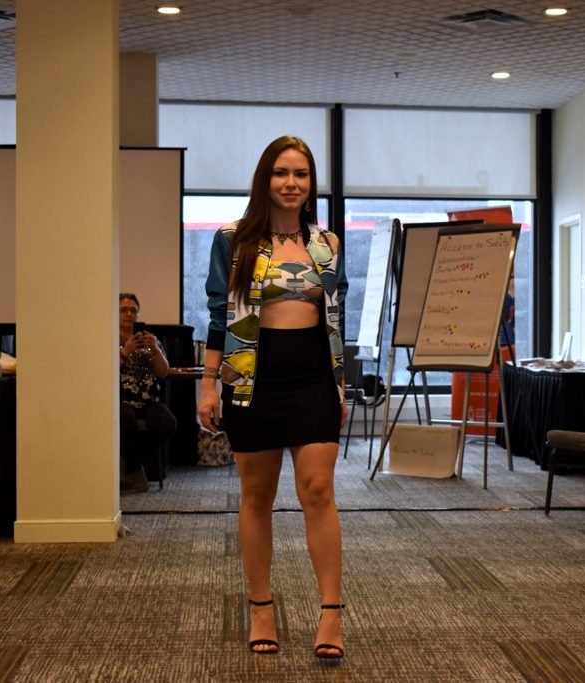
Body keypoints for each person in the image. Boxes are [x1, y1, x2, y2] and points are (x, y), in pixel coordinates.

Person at [199, 136, 349, 659]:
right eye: (282, 173)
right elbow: (219, 316)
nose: (291, 183)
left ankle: (331, 614)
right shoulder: (234, 240)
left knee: (318, 490)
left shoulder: (326, 244)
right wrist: (207, 382)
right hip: (251, 381)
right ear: (266, 179)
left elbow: (335, 320)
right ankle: (261, 607)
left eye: (302, 175)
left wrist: (341, 384)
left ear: (311, 185)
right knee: (257, 496)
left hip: (313, 379)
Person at [119, 292, 177, 492]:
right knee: (125, 423)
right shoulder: (108, 339)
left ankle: (132, 462)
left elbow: (163, 371)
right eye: (123, 310)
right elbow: (103, 371)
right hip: (122, 399)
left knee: (167, 423)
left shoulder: (150, 339)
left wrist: (156, 350)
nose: (128, 314)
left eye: (133, 310)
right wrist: (125, 352)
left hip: (149, 399)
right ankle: (136, 469)